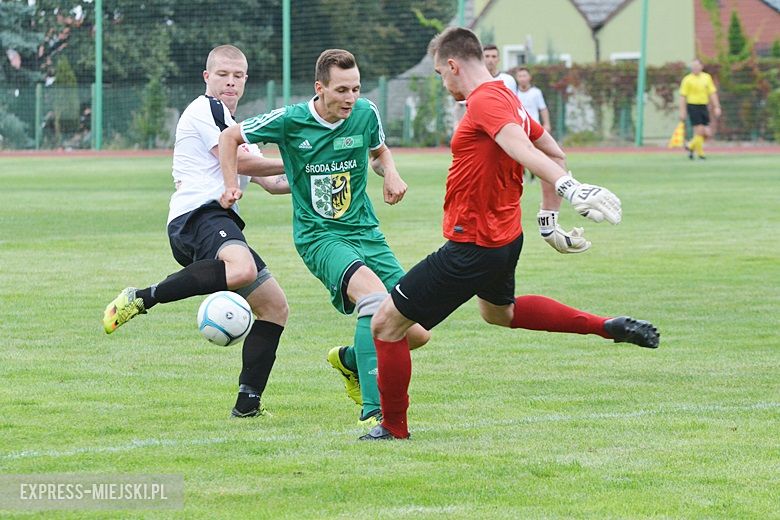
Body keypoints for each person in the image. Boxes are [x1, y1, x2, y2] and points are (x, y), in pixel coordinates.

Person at [361, 27, 660, 441]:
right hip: (503, 240)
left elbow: (521, 147)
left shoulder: (484, 100)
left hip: (471, 245)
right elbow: (554, 153)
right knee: (500, 313)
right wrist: (547, 220)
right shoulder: (508, 97)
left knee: (386, 325)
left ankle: (393, 429)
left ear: (452, 65)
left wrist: (570, 190)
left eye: (438, 73)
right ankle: (605, 326)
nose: (441, 82)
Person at [217, 49, 431, 428]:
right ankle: (373, 410)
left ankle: (349, 360)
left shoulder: (366, 113)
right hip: (320, 236)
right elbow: (231, 137)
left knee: (416, 331)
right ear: (320, 88)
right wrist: (232, 187)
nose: (351, 98)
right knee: (374, 300)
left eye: (356, 88)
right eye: (342, 90)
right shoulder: (290, 119)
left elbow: (380, 153)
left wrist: (391, 173)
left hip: (366, 232)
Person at [102, 45, 291, 418]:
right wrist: (306, 156)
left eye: (238, 76)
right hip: (198, 217)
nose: (230, 82)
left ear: (246, 80)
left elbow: (271, 183)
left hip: (216, 223)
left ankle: (247, 406)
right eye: (223, 75)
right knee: (242, 270)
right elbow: (246, 161)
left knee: (274, 308)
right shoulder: (208, 109)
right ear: (208, 77)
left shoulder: (236, 129)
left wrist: (321, 174)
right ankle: (142, 297)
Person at [679, 58, 721, 160]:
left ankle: (690, 146)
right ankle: (701, 154)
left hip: (703, 106)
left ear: (701, 67)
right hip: (693, 106)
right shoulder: (687, 79)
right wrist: (682, 111)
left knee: (707, 133)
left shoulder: (706, 78)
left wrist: (717, 106)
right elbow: (682, 96)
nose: (695, 68)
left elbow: (712, 93)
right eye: (693, 66)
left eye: (697, 66)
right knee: (699, 131)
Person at [515, 67, 551, 133]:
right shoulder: (514, 93)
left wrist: (547, 124)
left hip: (534, 127)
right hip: (519, 128)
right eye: (520, 76)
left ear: (529, 77)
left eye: (524, 76)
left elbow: (543, 109)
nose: (522, 79)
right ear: (516, 78)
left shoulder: (536, 92)